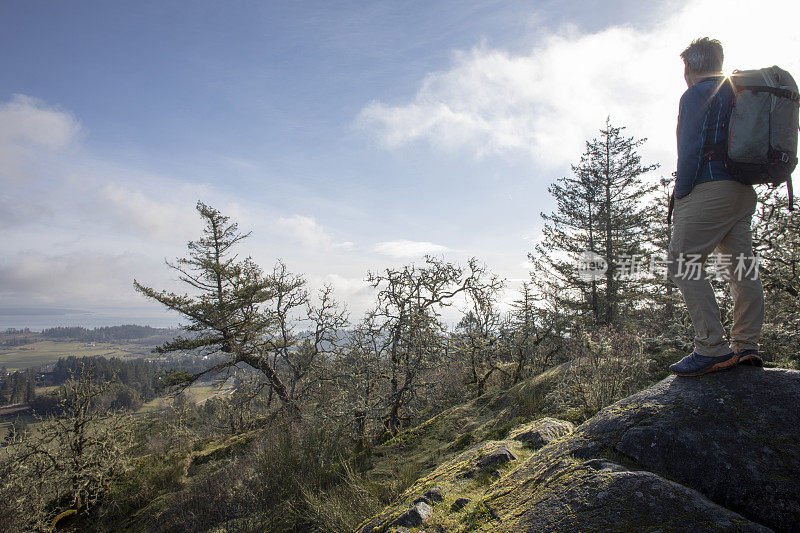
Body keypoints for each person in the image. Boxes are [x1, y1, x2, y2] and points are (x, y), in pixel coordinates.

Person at [668, 38, 765, 377]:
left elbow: (690, 146)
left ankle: (710, 347)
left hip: (710, 188)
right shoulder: (739, 91)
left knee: (683, 262)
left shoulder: (696, 93)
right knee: (741, 267)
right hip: (742, 191)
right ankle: (746, 346)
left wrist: (681, 194)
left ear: (689, 67)